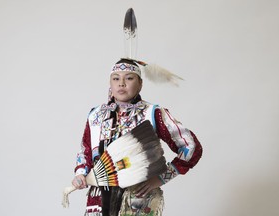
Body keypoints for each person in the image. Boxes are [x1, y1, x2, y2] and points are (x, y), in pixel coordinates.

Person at [71, 58, 203, 216]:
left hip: (137, 199)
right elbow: (86, 149)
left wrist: (161, 178)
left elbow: (190, 147)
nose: (121, 83)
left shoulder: (152, 113)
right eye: (116, 78)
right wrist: (80, 174)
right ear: (110, 83)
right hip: (99, 199)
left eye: (129, 78)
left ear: (140, 84)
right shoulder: (96, 115)